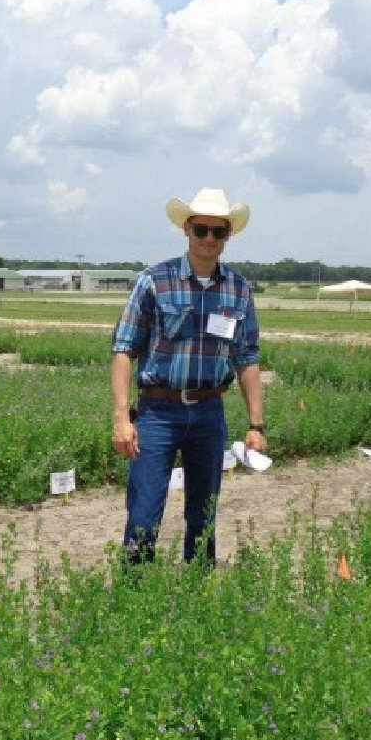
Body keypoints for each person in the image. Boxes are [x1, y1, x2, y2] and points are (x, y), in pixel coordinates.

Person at [110, 188, 267, 565]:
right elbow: (124, 349)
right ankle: (134, 596)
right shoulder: (154, 281)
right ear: (186, 229)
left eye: (219, 232)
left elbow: (246, 359)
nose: (209, 239)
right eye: (202, 230)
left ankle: (198, 589)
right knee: (145, 515)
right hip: (158, 414)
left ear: (228, 235)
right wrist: (120, 418)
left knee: (203, 514)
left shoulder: (238, 288)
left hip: (209, 413)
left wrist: (257, 425)